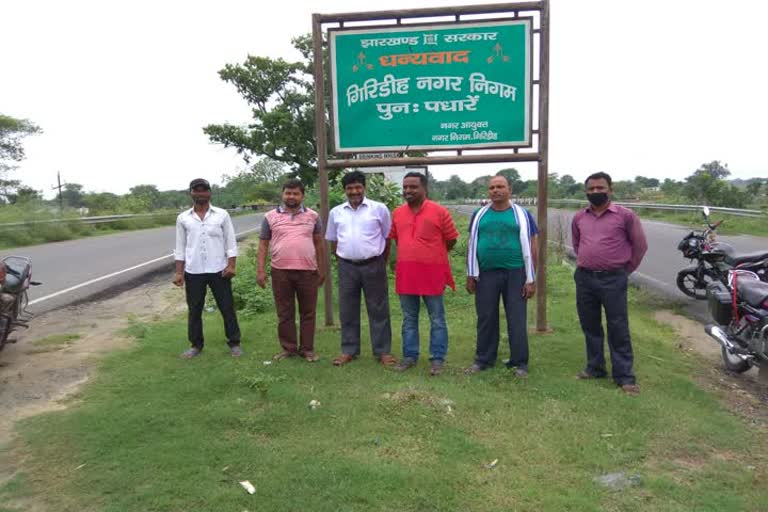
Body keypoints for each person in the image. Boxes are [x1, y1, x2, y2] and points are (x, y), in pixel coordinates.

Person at [571, 172, 648, 395]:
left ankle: (624, 376)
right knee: (590, 325)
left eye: (600, 188)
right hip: (585, 278)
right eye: (591, 189)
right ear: (586, 191)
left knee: (618, 326)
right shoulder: (579, 217)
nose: (596, 192)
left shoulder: (625, 216)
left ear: (610, 190)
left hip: (613, 278)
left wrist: (623, 271)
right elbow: (577, 244)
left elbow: (640, 246)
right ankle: (595, 368)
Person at [465, 175, 537, 377]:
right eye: (492, 187)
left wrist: (531, 278)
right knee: (486, 317)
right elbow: (472, 243)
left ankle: (520, 362)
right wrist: (471, 274)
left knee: (516, 318)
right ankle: (483, 360)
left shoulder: (522, 214)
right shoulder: (479, 214)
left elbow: (533, 245)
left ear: (509, 190)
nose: (495, 190)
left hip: (516, 273)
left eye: (500, 186)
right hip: (486, 274)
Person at [389, 171, 459, 376]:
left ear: (424, 188)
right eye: (405, 187)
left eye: (413, 187)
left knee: (437, 317)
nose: (408, 191)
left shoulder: (440, 211)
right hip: (407, 273)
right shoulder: (398, 213)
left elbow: (451, 239)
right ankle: (409, 356)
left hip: (433, 273)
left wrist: (432, 254)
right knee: (409, 317)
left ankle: (437, 359)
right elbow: (396, 239)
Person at [325, 171, 397, 367]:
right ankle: (349, 350)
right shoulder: (336, 212)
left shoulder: (379, 209)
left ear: (364, 188)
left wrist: (380, 260)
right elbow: (333, 241)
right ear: (344, 190)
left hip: (374, 265)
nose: (354, 191)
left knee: (378, 308)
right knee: (347, 309)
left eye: (358, 187)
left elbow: (387, 237)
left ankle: (382, 351)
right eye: (350, 188)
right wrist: (342, 258)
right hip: (346, 266)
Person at [257, 178, 325, 362]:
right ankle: (289, 349)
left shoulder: (313, 216)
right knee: (285, 312)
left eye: (296, 193)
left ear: (302, 195)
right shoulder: (270, 217)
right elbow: (263, 245)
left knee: (308, 312)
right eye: (288, 192)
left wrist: (322, 268)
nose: (291, 196)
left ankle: (307, 349)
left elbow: (319, 244)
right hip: (280, 271)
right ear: (282, 194)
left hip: (308, 271)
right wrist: (261, 271)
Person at [174, 178, 242, 358]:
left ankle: (234, 342)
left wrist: (232, 264)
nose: (200, 193)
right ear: (191, 193)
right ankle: (196, 345)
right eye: (196, 190)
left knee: (227, 307)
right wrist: (179, 272)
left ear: (210, 193)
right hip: (194, 271)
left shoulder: (221, 215)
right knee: (194, 309)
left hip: (219, 269)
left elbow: (230, 241)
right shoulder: (183, 218)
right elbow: (180, 247)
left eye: (204, 190)